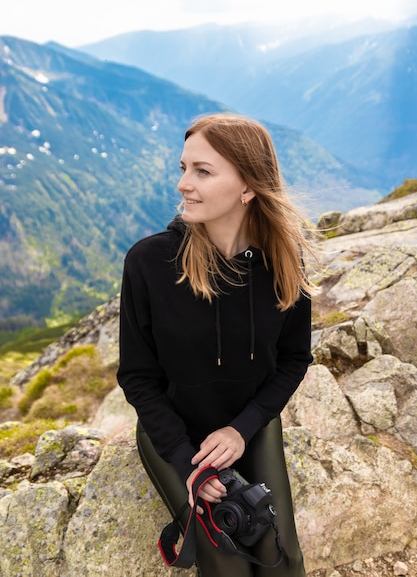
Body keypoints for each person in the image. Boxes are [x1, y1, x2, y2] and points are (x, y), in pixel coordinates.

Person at [117, 112, 316, 576]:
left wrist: (241, 429)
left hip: (250, 425)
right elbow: (138, 378)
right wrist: (190, 462)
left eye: (202, 171)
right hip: (175, 433)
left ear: (247, 186)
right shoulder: (149, 263)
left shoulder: (283, 261)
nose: (184, 183)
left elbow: (293, 359)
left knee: (280, 559)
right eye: (183, 168)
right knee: (226, 561)